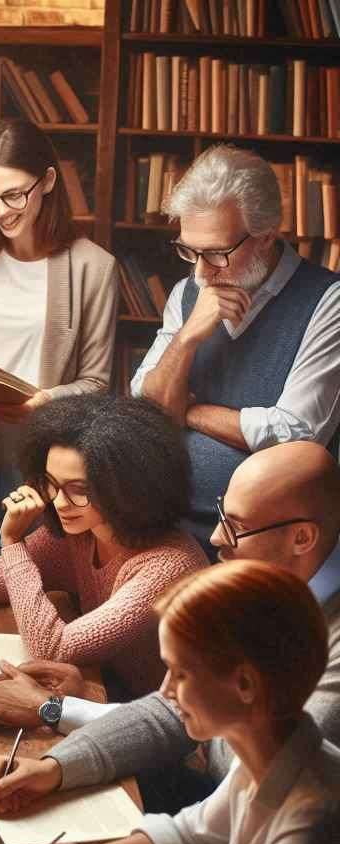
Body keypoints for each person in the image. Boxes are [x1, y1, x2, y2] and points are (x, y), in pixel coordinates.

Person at [11, 560, 340, 844]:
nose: (166, 691)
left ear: (245, 684)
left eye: (181, 674)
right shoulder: (277, 752)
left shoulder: (315, 821)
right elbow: (191, 835)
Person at [0, 440, 340, 814]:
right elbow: (173, 707)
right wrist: (53, 767)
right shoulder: (266, 581)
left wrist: (55, 710)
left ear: (302, 537)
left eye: (236, 526)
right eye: (222, 515)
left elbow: (247, 782)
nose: (217, 538)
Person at [0, 394, 207, 711]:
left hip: (169, 725)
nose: (59, 502)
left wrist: (12, 540)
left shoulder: (169, 566)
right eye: (52, 484)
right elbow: (23, 569)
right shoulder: (84, 530)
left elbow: (52, 648)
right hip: (108, 695)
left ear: (131, 487)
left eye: (80, 490)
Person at [132, 144, 340, 553]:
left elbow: (296, 435)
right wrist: (189, 335)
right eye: (189, 250)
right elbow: (147, 411)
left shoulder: (327, 302)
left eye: (217, 254)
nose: (200, 271)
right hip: (166, 526)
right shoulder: (187, 294)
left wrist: (191, 412)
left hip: (266, 543)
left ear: (266, 238)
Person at [0, 119, 116, 519]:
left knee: (35, 571)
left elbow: (99, 382)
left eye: (14, 195)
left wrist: (45, 401)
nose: (0, 211)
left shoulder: (94, 267)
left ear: (48, 181)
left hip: (49, 459)